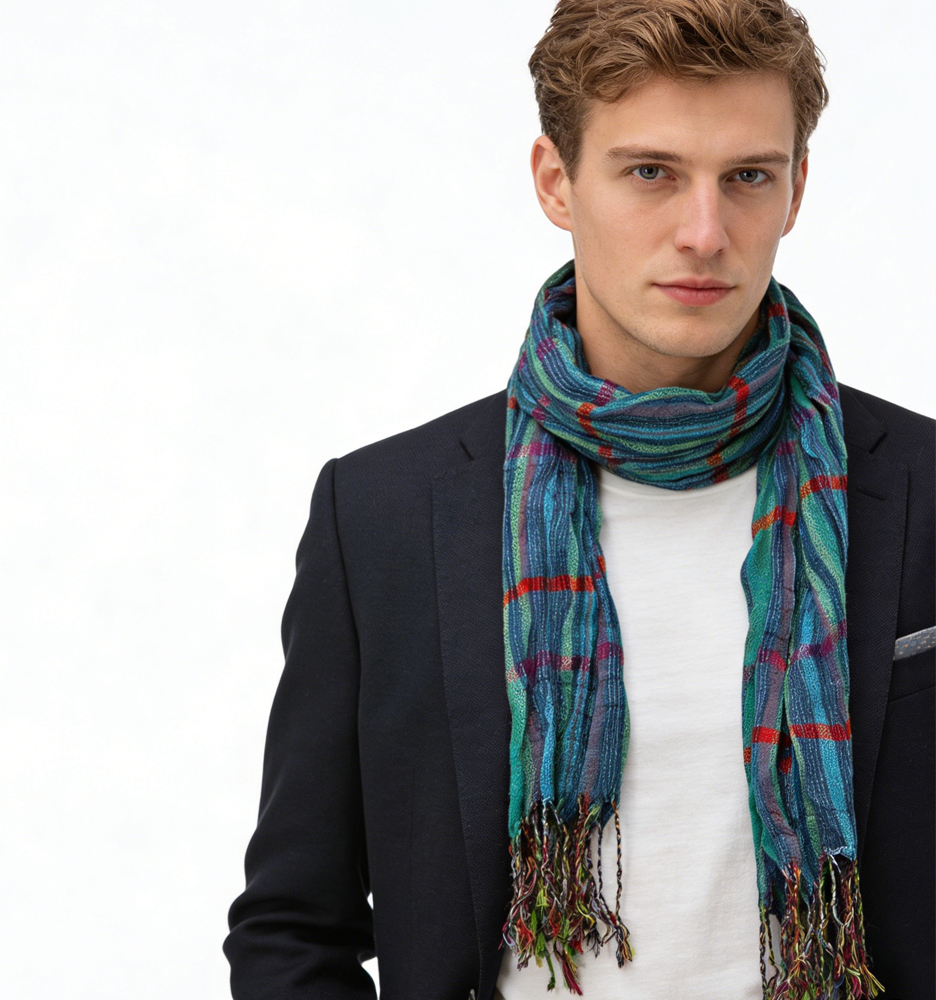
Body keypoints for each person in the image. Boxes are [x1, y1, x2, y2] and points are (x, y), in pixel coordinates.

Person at [224, 1, 935, 997]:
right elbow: (294, 924)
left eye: (747, 176)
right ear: (556, 182)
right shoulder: (382, 513)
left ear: (796, 189)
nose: (704, 232)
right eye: (650, 172)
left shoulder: (922, 490)